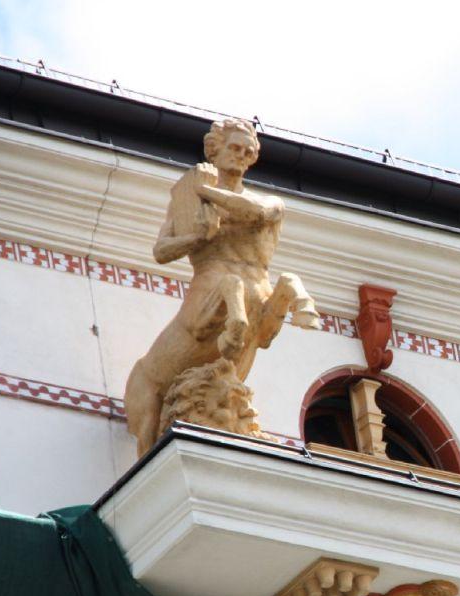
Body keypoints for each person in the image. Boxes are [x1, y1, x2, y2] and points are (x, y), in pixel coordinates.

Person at [125, 119, 319, 455]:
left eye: (248, 151)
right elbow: (161, 251)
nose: (241, 155)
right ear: (214, 151)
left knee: (284, 283)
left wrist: (206, 191)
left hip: (257, 285)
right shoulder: (187, 202)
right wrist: (196, 237)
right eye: (234, 148)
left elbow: (256, 213)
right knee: (230, 285)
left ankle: (292, 301)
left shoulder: (268, 202)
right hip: (210, 287)